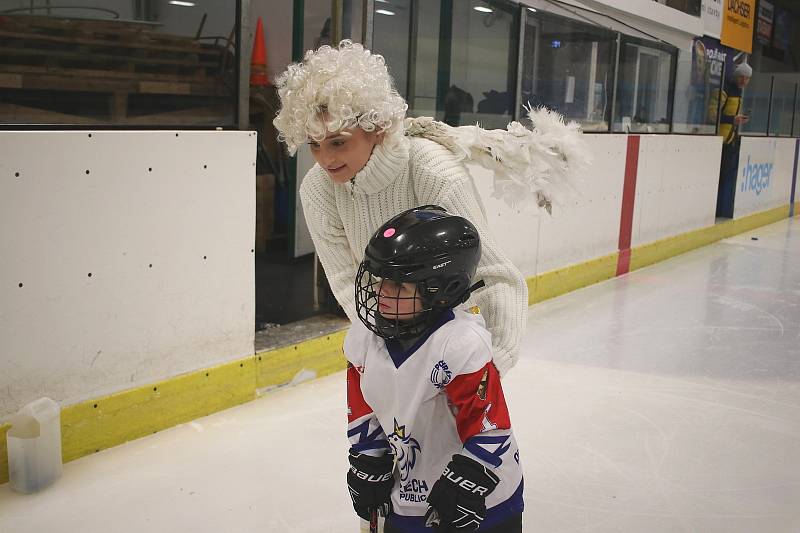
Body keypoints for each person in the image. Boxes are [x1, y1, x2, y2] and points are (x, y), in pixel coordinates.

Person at [272, 40, 530, 375]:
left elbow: (496, 277)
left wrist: (490, 368)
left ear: (376, 129)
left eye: (338, 142)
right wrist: (387, 346)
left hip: (455, 346)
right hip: (390, 349)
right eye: (314, 145)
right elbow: (344, 277)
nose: (326, 159)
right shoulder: (318, 189)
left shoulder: (432, 170)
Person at [345, 206, 524, 532]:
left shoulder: (460, 344)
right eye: (380, 279)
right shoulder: (363, 337)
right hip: (406, 495)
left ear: (443, 291)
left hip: (484, 502)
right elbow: (364, 408)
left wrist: (467, 482)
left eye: (398, 287)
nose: (382, 292)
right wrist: (369, 458)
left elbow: (490, 427)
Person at [709, 61, 752, 218]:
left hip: (729, 141)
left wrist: (736, 121)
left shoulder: (738, 92)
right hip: (718, 141)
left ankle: (719, 211)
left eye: (747, 78)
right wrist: (733, 120)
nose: (744, 81)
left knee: (724, 177)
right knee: (717, 177)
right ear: (736, 76)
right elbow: (713, 115)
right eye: (742, 77)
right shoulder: (724, 89)